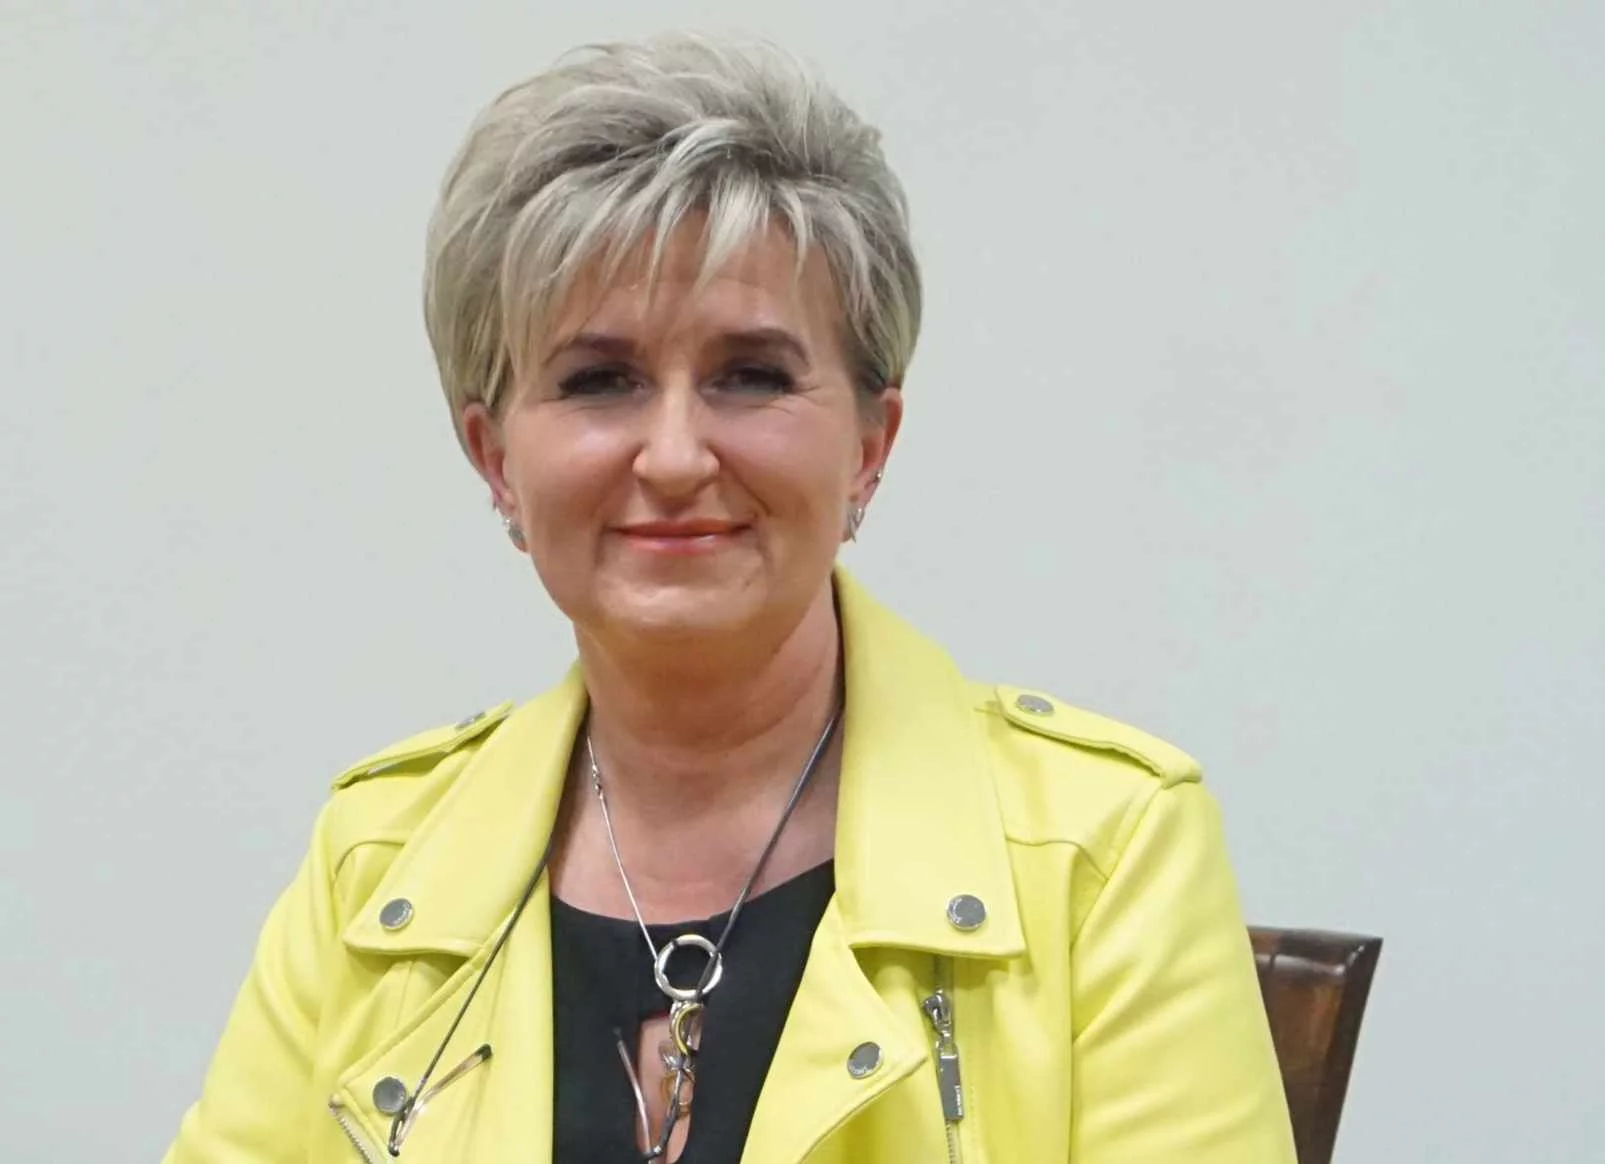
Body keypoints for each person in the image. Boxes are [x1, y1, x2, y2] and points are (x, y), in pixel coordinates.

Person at [163, 33, 1296, 1164]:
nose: (672, 457)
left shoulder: (1102, 853)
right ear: (495, 459)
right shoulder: (378, 862)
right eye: (599, 380)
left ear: (868, 445)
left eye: (750, 376)